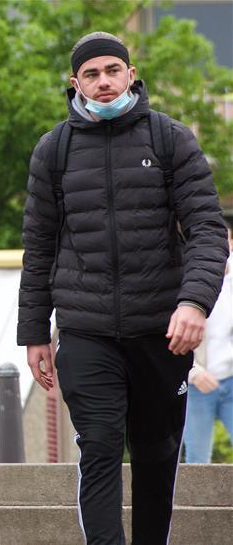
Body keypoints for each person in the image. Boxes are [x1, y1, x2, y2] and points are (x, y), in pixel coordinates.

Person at [18, 31, 229, 544]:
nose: (104, 81)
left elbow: (206, 229)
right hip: (86, 331)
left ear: (130, 75)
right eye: (91, 74)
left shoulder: (170, 139)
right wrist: (33, 334)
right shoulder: (55, 150)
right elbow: (39, 245)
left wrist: (194, 302)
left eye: (113, 70)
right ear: (75, 84)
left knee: (157, 455)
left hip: (162, 330)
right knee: (101, 445)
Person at [184, 222, 233, 463]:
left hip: (231, 380)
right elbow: (170, 335)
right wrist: (194, 372)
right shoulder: (188, 284)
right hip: (198, 385)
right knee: (197, 457)